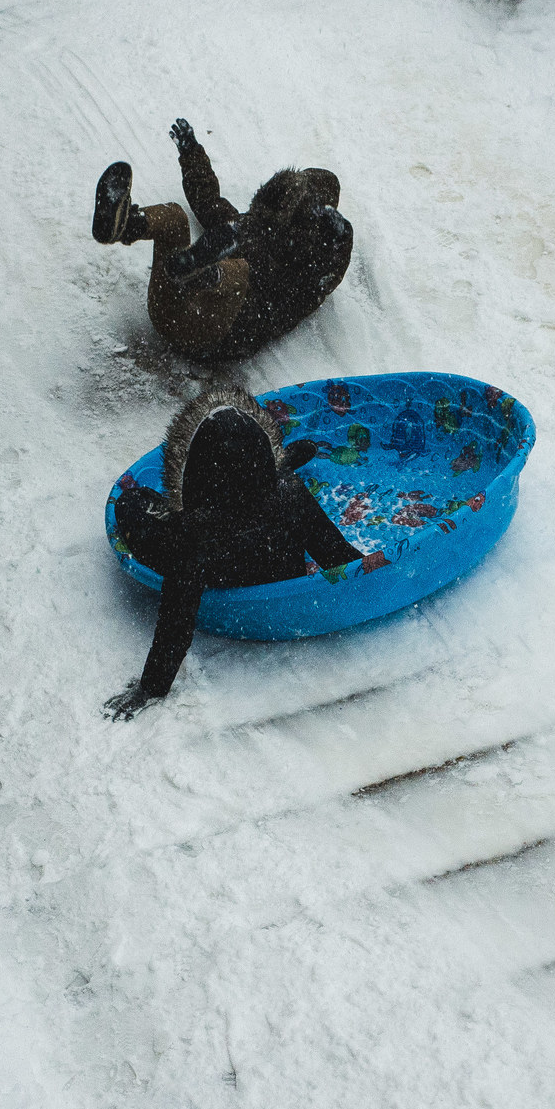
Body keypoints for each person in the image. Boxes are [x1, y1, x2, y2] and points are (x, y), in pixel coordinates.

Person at [104, 388, 364, 720]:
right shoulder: (291, 493)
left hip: (226, 575)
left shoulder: (193, 533)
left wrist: (151, 688)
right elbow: (338, 555)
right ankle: (283, 461)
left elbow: (177, 618)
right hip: (280, 569)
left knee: (132, 501)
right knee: (265, 486)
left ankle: (271, 464)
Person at [91, 119, 354, 360]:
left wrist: (341, 238)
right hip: (169, 307)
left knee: (239, 272)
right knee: (175, 217)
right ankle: (123, 225)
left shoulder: (300, 282)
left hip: (204, 340)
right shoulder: (248, 226)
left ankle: (200, 274)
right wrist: (191, 152)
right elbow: (208, 202)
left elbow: (325, 280)